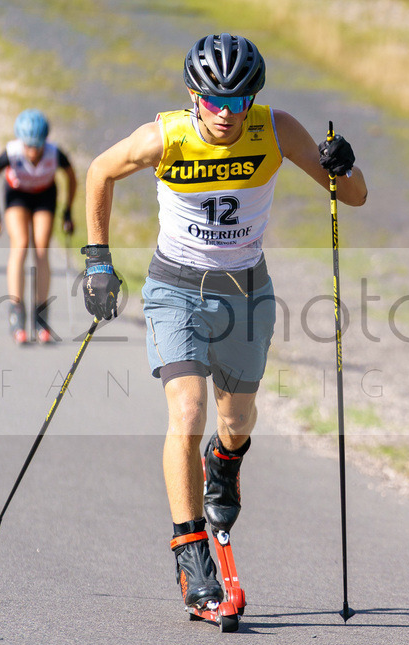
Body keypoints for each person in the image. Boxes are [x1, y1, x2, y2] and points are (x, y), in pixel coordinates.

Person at [81, 33, 367, 611]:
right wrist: (98, 260)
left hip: (247, 292)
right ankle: (192, 558)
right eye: (214, 100)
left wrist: (345, 164)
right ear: (195, 95)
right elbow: (99, 172)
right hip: (175, 288)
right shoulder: (164, 137)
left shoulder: (277, 131)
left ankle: (225, 460)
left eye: (238, 101)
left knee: (236, 422)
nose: (226, 114)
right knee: (187, 410)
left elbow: (354, 196)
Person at [0, 109, 77, 344]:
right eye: (28, 146)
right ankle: (16, 312)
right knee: (21, 244)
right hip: (17, 195)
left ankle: (41, 315)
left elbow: (71, 178)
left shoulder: (55, 153)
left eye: (37, 146)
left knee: (42, 249)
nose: (33, 152)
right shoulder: (12, 152)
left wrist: (67, 210)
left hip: (44, 196)